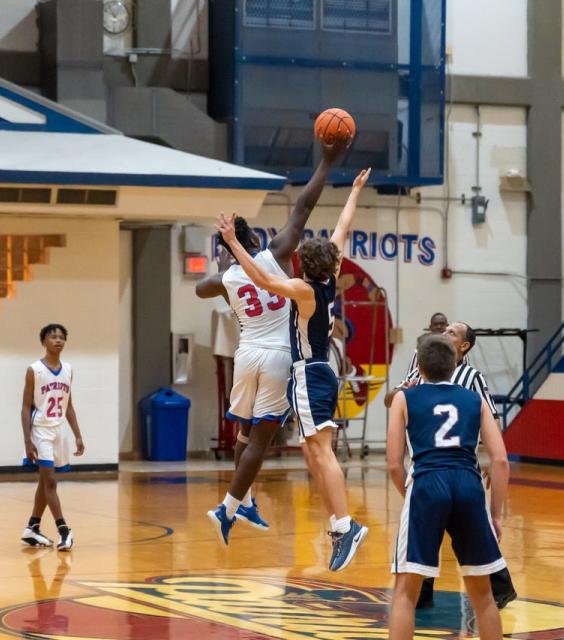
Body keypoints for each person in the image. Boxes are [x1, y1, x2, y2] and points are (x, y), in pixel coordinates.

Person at [216, 167, 371, 572]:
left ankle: (344, 525)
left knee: (319, 452)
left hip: (308, 374)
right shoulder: (329, 278)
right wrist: (354, 192)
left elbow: (263, 279)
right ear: (332, 265)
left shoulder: (304, 290)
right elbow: (343, 225)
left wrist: (233, 243)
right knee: (316, 452)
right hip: (321, 372)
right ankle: (341, 524)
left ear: (303, 265)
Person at [197, 138, 350, 545]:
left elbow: (199, 287)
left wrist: (224, 264)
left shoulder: (222, 280)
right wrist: (327, 161)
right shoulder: (278, 256)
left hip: (245, 356)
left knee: (243, 436)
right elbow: (303, 206)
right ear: (255, 241)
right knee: (260, 442)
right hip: (282, 357)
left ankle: (243, 499)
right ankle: (230, 505)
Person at [386, 334, 509, 640]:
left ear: (419, 367)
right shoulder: (475, 399)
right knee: (483, 595)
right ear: (455, 365)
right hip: (468, 485)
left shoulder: (404, 397)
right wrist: (496, 516)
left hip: (427, 483)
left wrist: (410, 494)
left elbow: (393, 463)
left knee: (405, 593)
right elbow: (501, 461)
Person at [20, 324, 85, 551]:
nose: (58, 340)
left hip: (59, 431)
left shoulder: (68, 369)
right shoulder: (34, 370)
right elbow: (26, 407)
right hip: (40, 430)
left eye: (61, 337)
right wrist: (27, 440)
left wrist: (77, 434)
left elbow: (69, 405)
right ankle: (64, 530)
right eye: (53, 337)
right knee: (50, 481)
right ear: (44, 342)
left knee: (44, 481)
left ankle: (32, 527)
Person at [383, 312, 448, 408]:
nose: (439, 327)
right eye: (436, 324)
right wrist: (403, 389)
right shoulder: (419, 355)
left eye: (442, 324)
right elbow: (388, 401)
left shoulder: (460, 358)